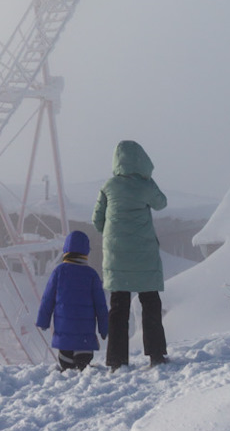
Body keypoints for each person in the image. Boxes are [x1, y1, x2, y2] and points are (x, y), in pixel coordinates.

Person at [92, 139, 169, 368]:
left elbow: (97, 221)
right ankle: (156, 355)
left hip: (117, 256)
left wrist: (112, 233)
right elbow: (162, 203)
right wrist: (148, 182)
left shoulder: (108, 186)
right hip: (144, 256)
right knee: (150, 304)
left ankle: (116, 360)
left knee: (118, 308)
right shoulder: (145, 185)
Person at [36, 228, 109, 372]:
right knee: (84, 367)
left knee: (66, 368)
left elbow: (47, 299)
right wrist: (104, 328)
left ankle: (66, 367)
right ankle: (83, 367)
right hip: (85, 339)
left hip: (64, 338)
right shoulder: (92, 275)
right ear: (86, 251)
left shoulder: (59, 272)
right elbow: (101, 305)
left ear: (66, 249)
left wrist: (43, 321)